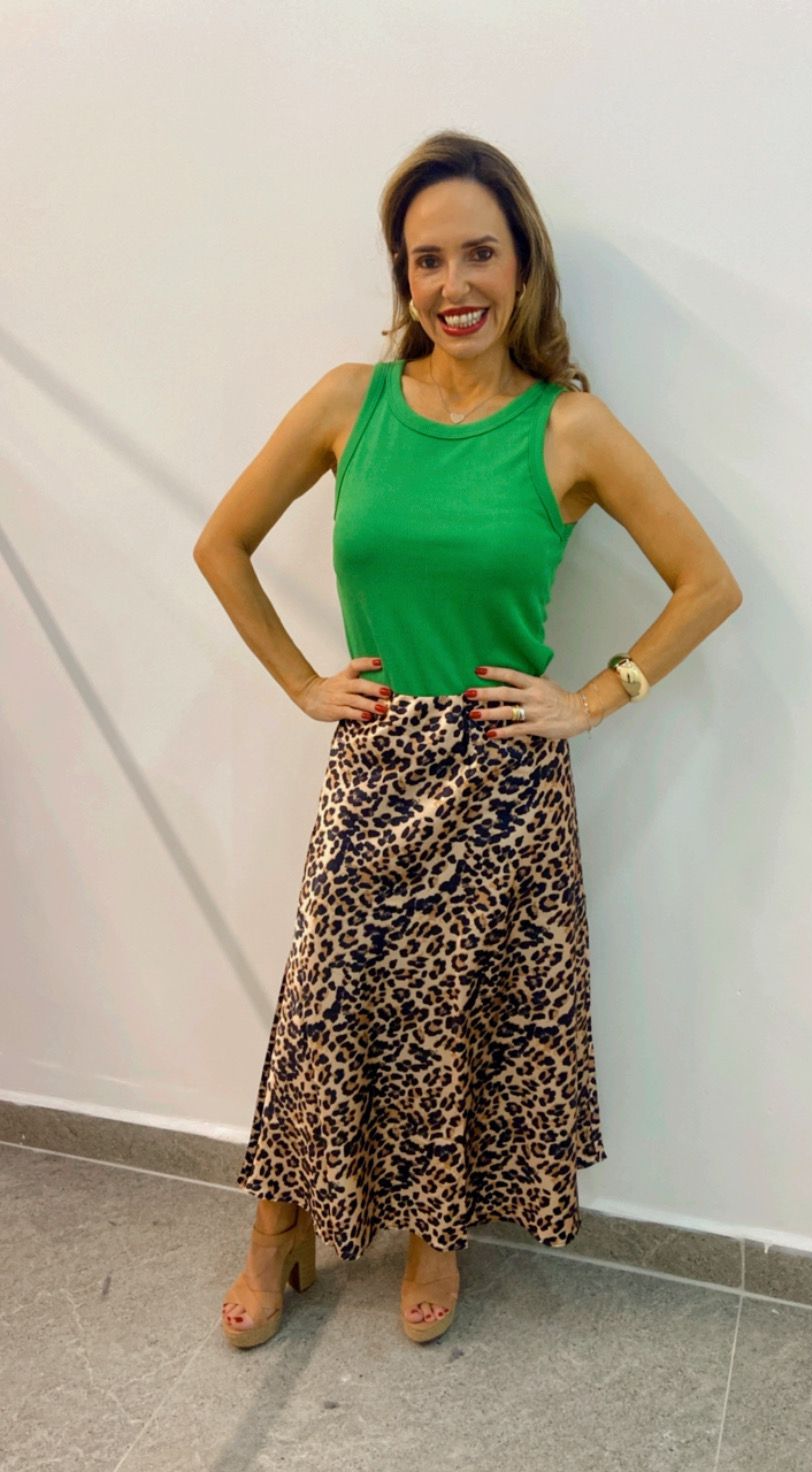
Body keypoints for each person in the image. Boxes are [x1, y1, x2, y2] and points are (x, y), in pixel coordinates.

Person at [193, 129, 743, 1350]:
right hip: (376, 758)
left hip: (504, 779)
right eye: (427, 258)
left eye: (479, 253)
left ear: (523, 263)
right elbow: (220, 544)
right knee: (324, 1002)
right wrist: (299, 682)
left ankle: (438, 1232)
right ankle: (277, 1227)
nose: (454, 284)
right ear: (403, 275)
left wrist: (594, 696)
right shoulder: (349, 402)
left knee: (457, 1022)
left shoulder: (570, 427)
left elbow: (708, 583)